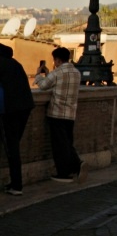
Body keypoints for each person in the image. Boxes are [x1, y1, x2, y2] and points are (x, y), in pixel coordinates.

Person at [33, 47, 86, 184]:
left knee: (60, 145)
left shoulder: (57, 73)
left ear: (57, 59)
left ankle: (65, 172)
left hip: (56, 114)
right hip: (70, 114)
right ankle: (76, 165)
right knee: (67, 142)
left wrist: (39, 74)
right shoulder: (76, 73)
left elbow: (43, 86)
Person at [0, 43, 34, 195]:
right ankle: (15, 184)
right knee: (13, 145)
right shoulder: (16, 64)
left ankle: (16, 185)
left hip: (9, 110)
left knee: (11, 147)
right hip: (24, 108)